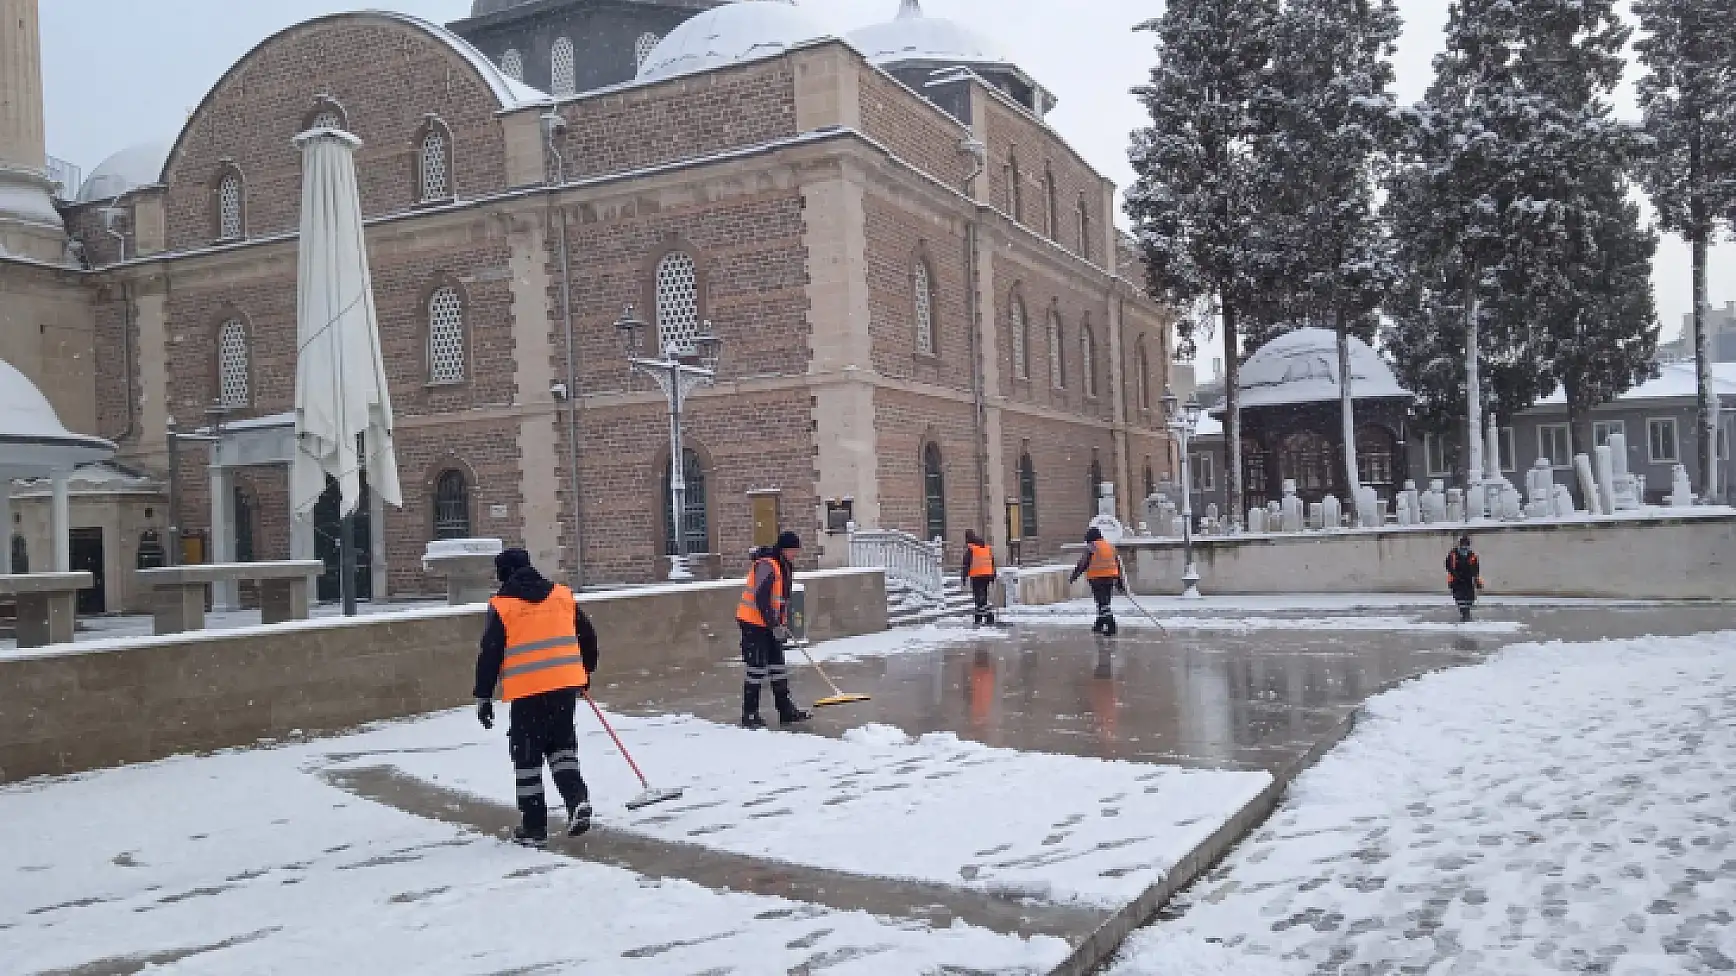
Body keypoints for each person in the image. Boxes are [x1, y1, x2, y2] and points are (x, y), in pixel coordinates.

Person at [474, 548, 600, 849]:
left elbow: (490, 654)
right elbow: (588, 637)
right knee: (561, 749)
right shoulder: (561, 596)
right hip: (563, 689)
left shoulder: (502, 605)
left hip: (527, 693)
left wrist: (483, 696)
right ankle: (576, 799)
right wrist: (584, 673)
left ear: (502, 573)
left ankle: (534, 828)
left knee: (527, 760)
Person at [736, 531, 811, 730]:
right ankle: (749, 715)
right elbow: (761, 597)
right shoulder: (767, 565)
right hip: (753, 623)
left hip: (769, 624)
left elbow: (780, 599)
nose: (796, 553)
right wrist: (773, 624)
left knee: (778, 668)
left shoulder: (783, 565)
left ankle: (786, 711)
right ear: (784, 548)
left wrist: (781, 623)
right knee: (756, 669)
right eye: (793, 549)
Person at [1070, 527, 1126, 635]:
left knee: (1102, 603)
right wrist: (1119, 582)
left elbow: (1083, 563)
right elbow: (1118, 564)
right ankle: (1099, 624)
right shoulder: (1109, 546)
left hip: (1097, 578)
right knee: (1105, 602)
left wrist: (1074, 575)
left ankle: (1111, 626)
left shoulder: (1092, 547)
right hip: (1110, 577)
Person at [960, 530, 998, 625]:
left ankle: (988, 616)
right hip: (987, 575)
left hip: (977, 576)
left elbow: (966, 564)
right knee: (983, 596)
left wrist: (963, 577)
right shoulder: (985, 547)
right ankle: (980, 617)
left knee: (978, 597)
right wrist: (993, 575)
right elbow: (992, 561)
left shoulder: (971, 549)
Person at [1446, 534, 1485, 622]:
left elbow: (1475, 569)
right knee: (1460, 597)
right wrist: (1456, 575)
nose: (1464, 547)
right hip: (1456, 580)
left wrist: (1477, 580)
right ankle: (1464, 613)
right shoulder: (1453, 554)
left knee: (1469, 597)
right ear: (1460, 545)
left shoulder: (1472, 555)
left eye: (1466, 545)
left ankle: (1466, 612)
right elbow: (1449, 566)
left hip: (1468, 579)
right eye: (1463, 544)